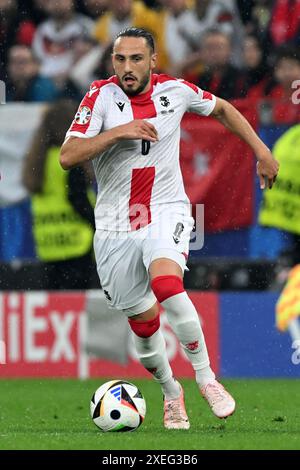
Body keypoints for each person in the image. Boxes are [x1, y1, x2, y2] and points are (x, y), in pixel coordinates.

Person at [60, 27, 279, 429]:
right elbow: (67, 155)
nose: (127, 68)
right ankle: (171, 392)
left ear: (153, 60)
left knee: (166, 285)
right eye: (120, 59)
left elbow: (225, 109)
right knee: (144, 327)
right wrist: (118, 132)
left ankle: (206, 378)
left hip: (165, 210)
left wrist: (262, 152)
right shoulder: (99, 96)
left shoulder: (175, 91)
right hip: (114, 225)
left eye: (136, 59)